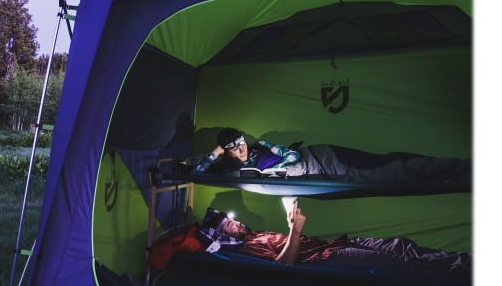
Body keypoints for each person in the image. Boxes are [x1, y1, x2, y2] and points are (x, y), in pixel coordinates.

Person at [197, 205, 471, 276]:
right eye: (228, 225)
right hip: (328, 257)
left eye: (232, 219)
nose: (235, 223)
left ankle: (467, 262)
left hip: (332, 244)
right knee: (398, 262)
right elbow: (283, 265)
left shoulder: (254, 233)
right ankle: (465, 274)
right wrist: (294, 229)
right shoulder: (247, 247)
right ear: (224, 235)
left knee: (400, 245)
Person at [192, 127, 471, 186]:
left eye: (241, 142)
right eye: (233, 147)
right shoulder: (230, 170)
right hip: (322, 169)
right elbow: (197, 173)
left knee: (385, 168)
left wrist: (276, 170)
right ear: (226, 152)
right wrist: (215, 151)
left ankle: (460, 169)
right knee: (385, 166)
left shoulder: (262, 147)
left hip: (323, 158)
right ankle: (452, 172)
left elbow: (291, 156)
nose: (241, 149)